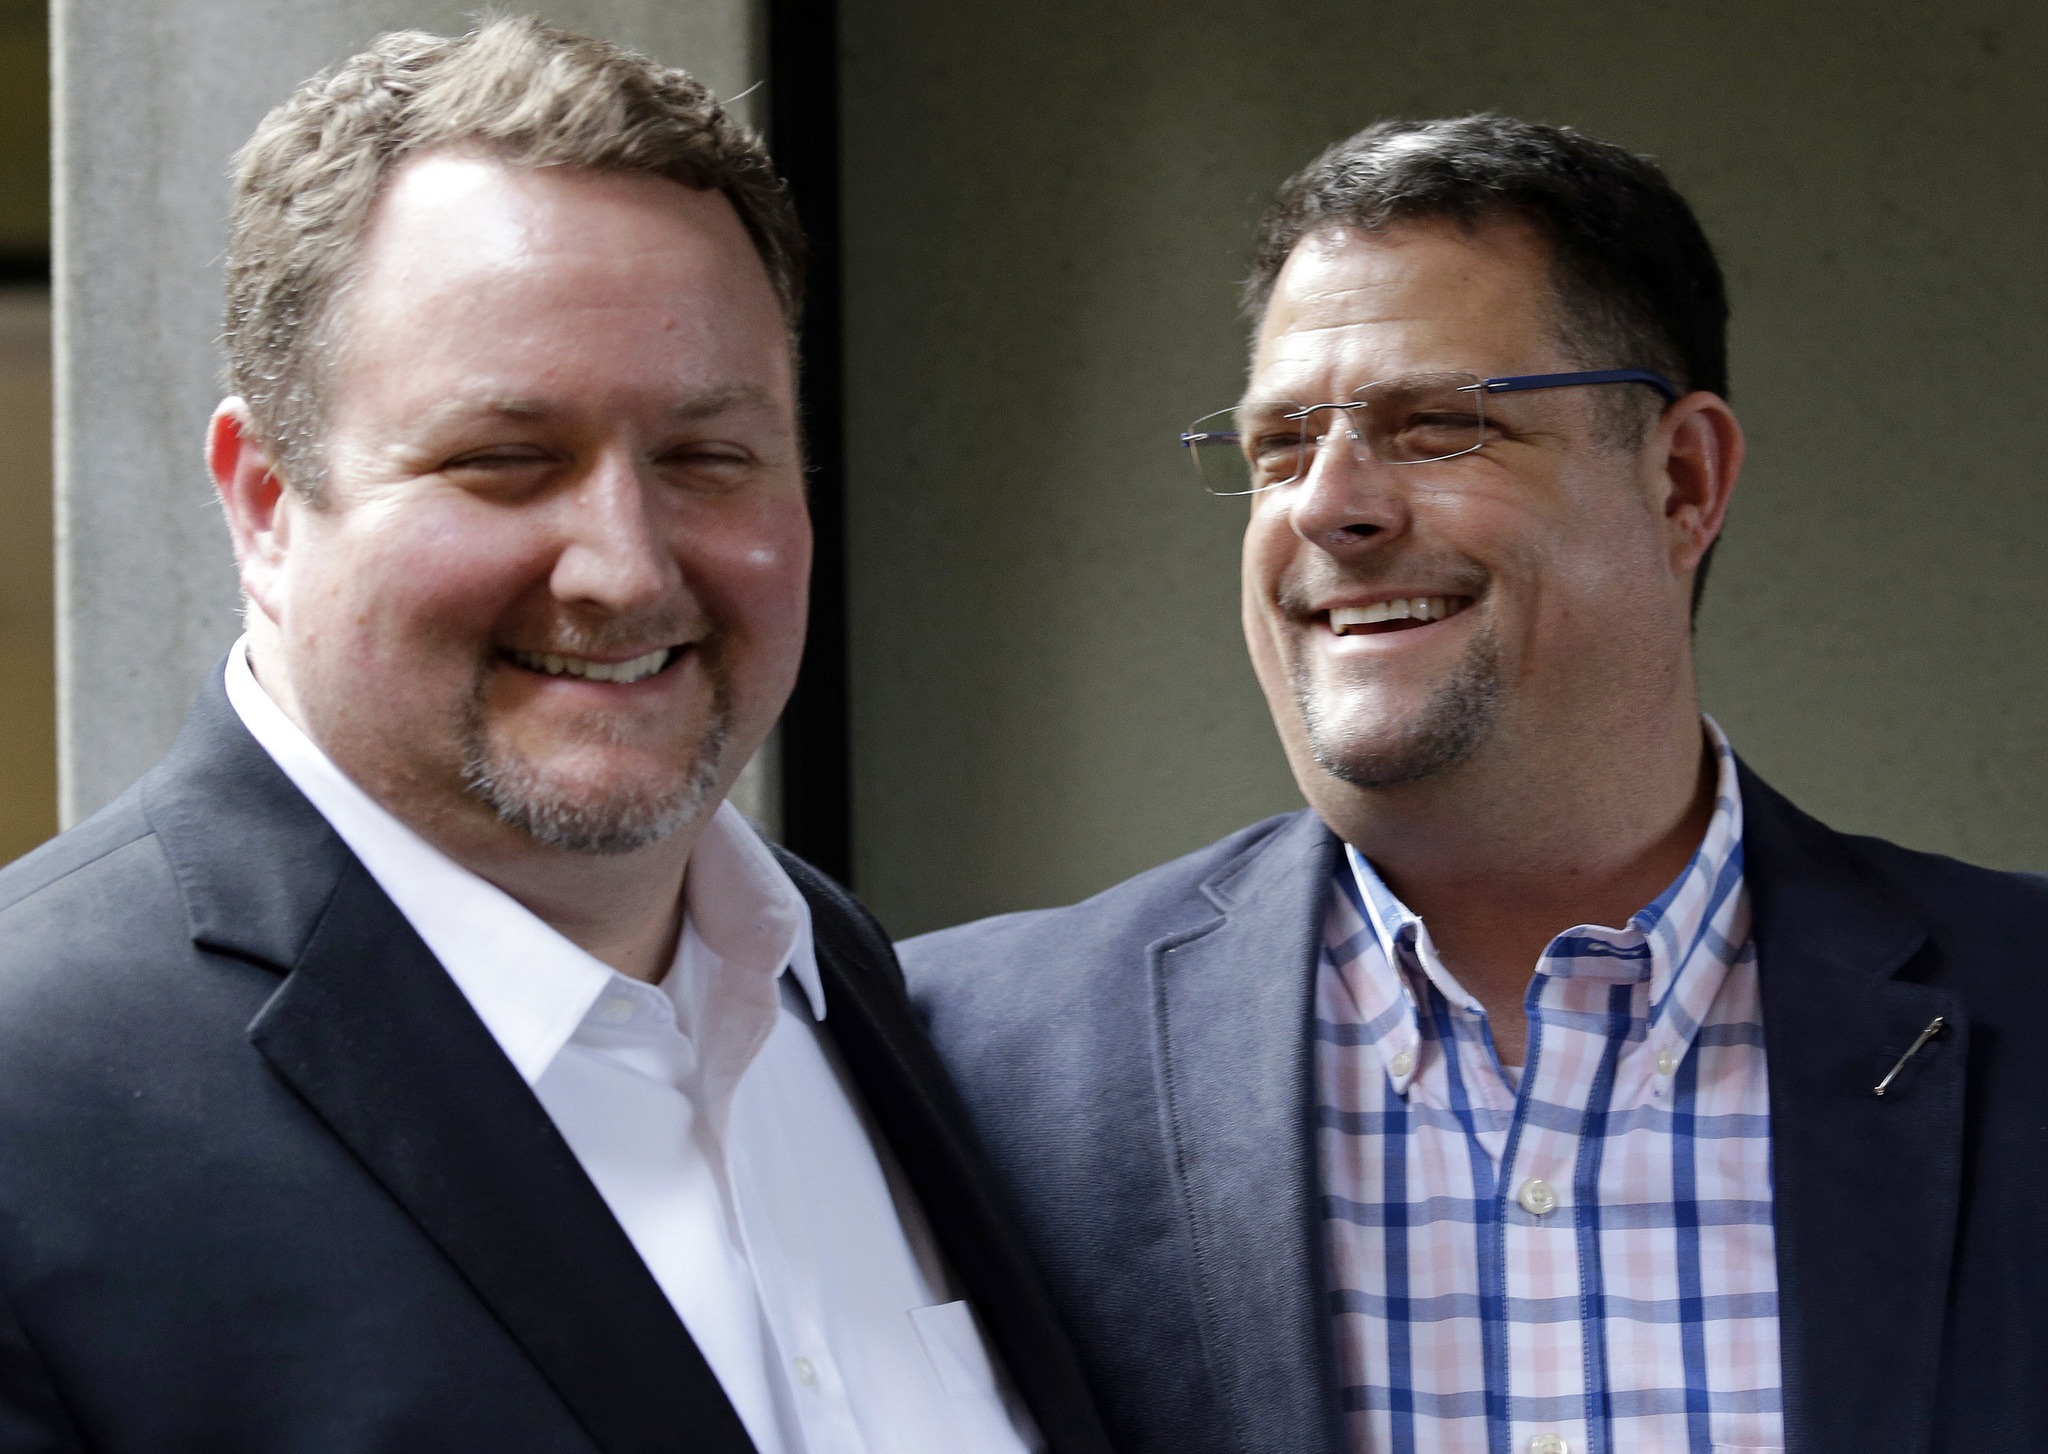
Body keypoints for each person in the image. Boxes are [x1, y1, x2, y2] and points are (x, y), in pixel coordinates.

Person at [0, 20, 1110, 1454]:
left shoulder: (827, 975)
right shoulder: (35, 1100)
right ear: (267, 504)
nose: (627, 568)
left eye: (708, 456)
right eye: (504, 460)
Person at [903, 115, 2048, 1454]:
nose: (1331, 505)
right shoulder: (970, 1065)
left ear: (1683, 480)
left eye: (1438, 425)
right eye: (1278, 446)